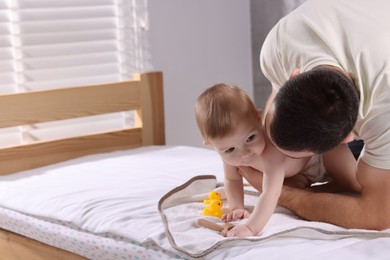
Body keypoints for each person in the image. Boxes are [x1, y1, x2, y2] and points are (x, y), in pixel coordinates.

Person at [258, 0, 390, 230]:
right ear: (292, 76)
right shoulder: (281, 43)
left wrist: (283, 195)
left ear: (346, 138)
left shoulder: (383, 110)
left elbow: (378, 215)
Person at [195, 83, 359, 237]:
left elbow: (270, 194)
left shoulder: (270, 151)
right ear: (212, 145)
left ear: (259, 119)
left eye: (250, 138)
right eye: (230, 150)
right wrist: (237, 207)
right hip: (299, 173)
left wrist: (250, 227)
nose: (245, 153)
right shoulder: (230, 157)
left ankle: (350, 181)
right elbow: (232, 179)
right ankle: (333, 185)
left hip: (320, 156)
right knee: (293, 187)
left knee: (355, 183)